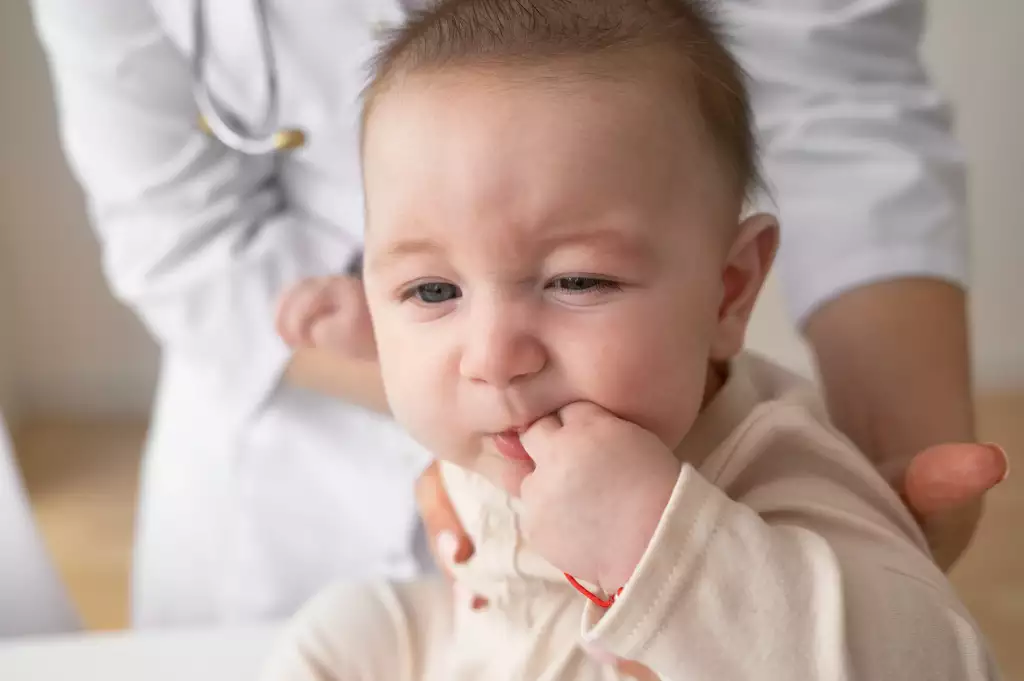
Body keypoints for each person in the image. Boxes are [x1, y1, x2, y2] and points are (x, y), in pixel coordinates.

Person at [29, 0, 1007, 628]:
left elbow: (917, 656)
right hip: (274, 491)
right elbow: (181, 237)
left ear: (729, 290)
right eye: (430, 290)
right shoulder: (484, 462)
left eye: (578, 281)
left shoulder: (777, 472)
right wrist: (356, 639)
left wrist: (671, 548)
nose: (493, 358)